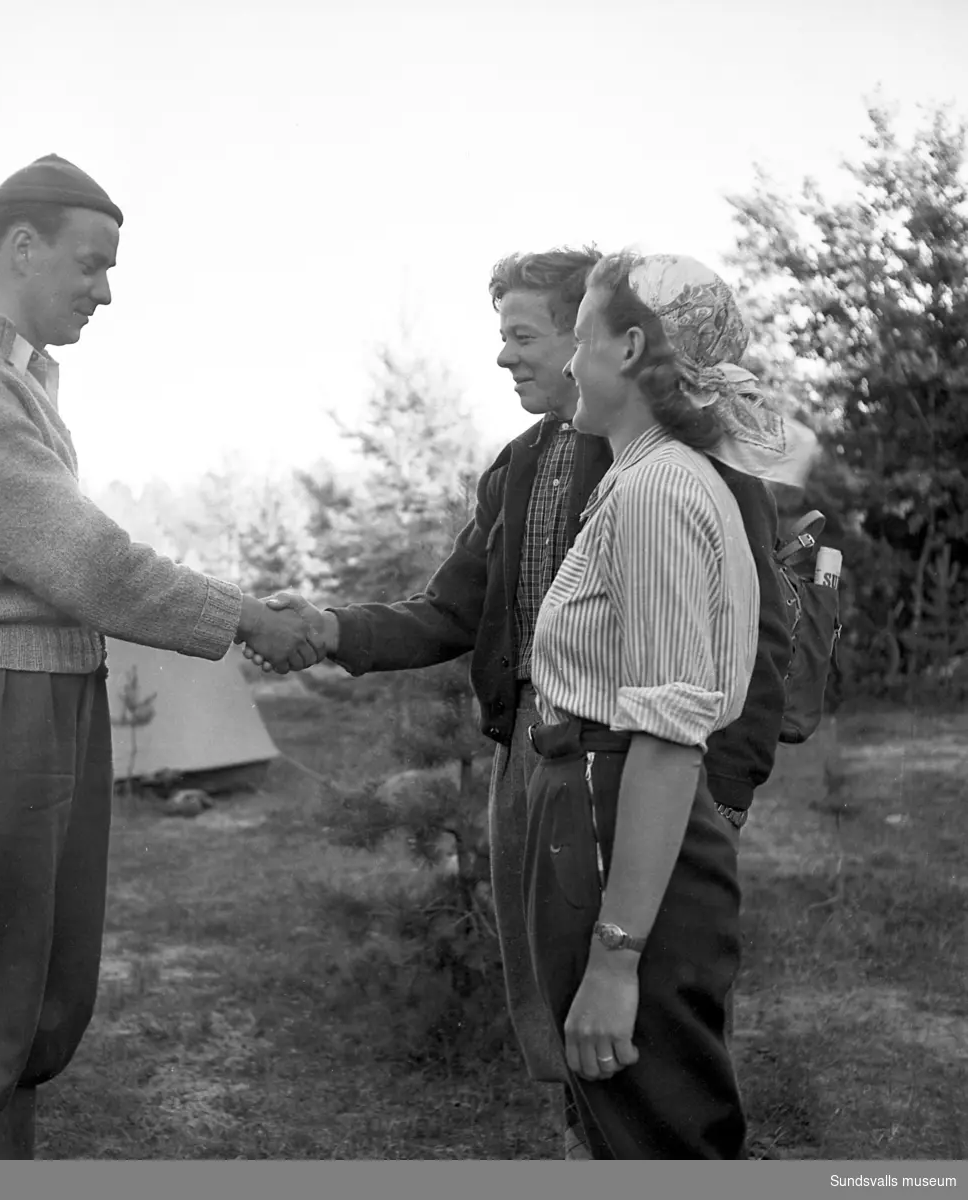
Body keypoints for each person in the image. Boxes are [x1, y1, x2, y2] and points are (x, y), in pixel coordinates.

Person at [245, 246, 794, 1156]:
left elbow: (748, 642)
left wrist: (717, 803)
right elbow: (451, 610)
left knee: (641, 1040)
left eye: (535, 334)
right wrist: (326, 627)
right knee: (571, 1029)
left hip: (632, 777)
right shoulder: (521, 466)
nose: (509, 356)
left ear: (617, 342)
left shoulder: (667, 474)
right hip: (544, 765)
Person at [0, 153, 317, 1162]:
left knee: (28, 1007)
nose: (105, 290)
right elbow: (83, 561)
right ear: (20, 247)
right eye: (91, 263)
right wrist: (246, 615)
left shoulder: (9, 382)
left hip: (39, 693)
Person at [522, 250, 816, 1159]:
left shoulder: (657, 492)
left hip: (623, 821)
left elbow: (666, 740)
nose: (569, 363)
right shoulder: (648, 476)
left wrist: (616, 960)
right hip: (604, 809)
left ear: (631, 347)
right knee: (627, 1122)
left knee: (653, 1129)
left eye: (580, 339)